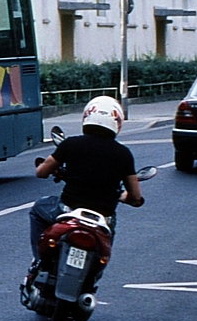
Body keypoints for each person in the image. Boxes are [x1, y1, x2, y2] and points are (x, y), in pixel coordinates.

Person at [28, 96, 145, 259]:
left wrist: (58, 170)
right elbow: (135, 196)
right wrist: (124, 196)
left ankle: (39, 259)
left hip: (68, 210)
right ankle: (95, 272)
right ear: (117, 121)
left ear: (87, 116)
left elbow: (41, 172)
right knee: (102, 253)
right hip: (103, 218)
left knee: (38, 208)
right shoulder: (124, 154)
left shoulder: (70, 144)